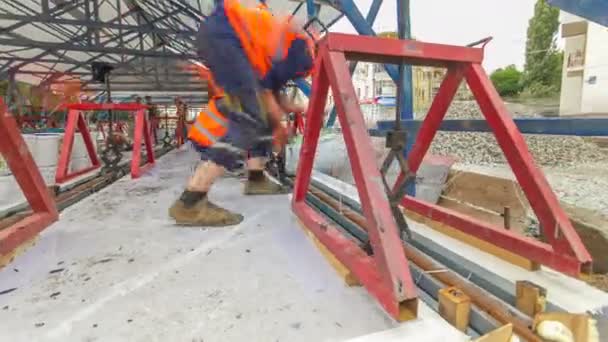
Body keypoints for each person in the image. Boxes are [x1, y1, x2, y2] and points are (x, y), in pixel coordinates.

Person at [168, 0, 315, 227]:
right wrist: (280, 125)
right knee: (252, 119)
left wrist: (290, 111)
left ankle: (256, 178)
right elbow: (267, 91)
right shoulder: (304, 53)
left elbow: (271, 90)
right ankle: (191, 200)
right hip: (227, 39)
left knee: (261, 117)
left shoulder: (292, 45)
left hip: (222, 38)